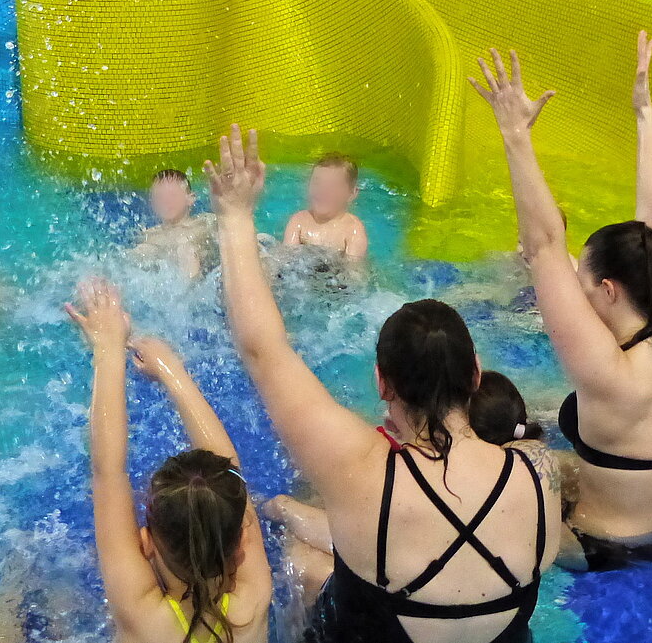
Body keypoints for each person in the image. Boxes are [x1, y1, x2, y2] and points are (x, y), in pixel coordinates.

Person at [207, 124, 558, 643]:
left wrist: (234, 215)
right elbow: (549, 246)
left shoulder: (362, 469)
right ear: (477, 376)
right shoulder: (537, 468)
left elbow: (264, 352)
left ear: (383, 383)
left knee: (300, 558)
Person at [470, 32, 652, 572]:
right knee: (545, 456)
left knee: (487, 463)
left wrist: (515, 135)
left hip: (598, 551)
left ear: (608, 289)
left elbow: (541, 246)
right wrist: (644, 112)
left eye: (583, 277)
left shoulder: (609, 374)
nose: (574, 285)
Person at [65, 280, 271, 643]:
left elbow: (107, 473)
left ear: (145, 543)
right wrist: (173, 371)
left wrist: (107, 347)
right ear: (240, 546)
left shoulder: (144, 616)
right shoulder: (252, 601)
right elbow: (231, 470)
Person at [264, 369, 554, 616]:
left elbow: (348, 541)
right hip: (492, 619)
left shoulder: (411, 483)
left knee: (303, 559)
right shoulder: (532, 476)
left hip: (403, 612)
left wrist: (284, 508)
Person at [283, 153, 368, 265]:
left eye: (333, 185)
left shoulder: (352, 230)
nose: (323, 191)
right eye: (317, 183)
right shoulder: (299, 221)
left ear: (352, 194)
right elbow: (285, 262)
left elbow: (354, 274)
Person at [133, 169, 216, 279]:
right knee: (141, 252)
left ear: (191, 199)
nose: (166, 201)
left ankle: (189, 292)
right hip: (168, 279)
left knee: (186, 249)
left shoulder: (204, 222)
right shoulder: (149, 235)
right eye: (160, 197)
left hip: (202, 275)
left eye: (173, 195)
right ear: (152, 203)